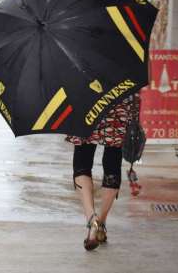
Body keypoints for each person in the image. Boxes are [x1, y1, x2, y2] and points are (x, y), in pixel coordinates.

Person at [66, 93, 141, 251]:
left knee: (82, 162)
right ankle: (101, 222)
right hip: (121, 101)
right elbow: (146, 77)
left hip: (87, 101)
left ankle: (91, 219)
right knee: (113, 163)